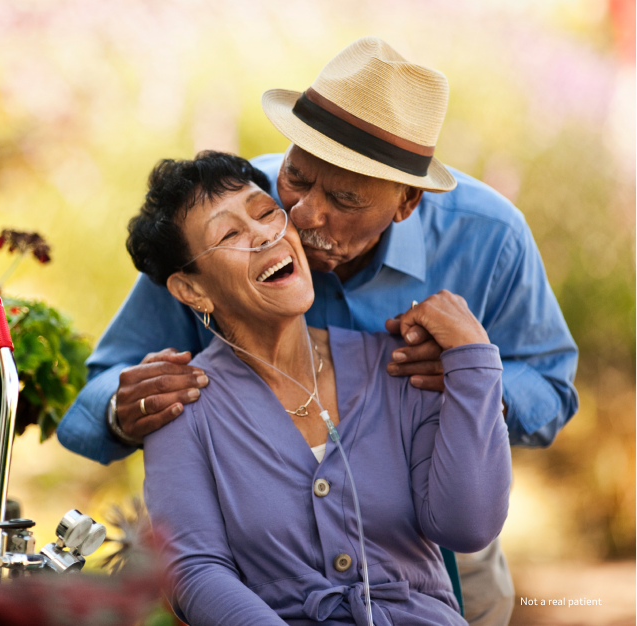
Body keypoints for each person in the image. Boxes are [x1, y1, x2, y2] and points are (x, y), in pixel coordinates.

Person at [57, 38, 579, 626]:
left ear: (406, 201)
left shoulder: (487, 237)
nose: (300, 217)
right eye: (297, 177)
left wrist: (471, 384)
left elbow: (551, 389)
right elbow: (103, 394)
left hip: (441, 558)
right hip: (266, 574)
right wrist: (124, 407)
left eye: (343, 199)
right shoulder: (236, 208)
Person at [136, 150, 512, 626]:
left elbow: (469, 525)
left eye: (266, 212)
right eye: (229, 234)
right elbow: (195, 572)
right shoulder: (184, 406)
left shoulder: (400, 366)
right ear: (192, 291)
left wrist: (474, 360)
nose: (262, 235)